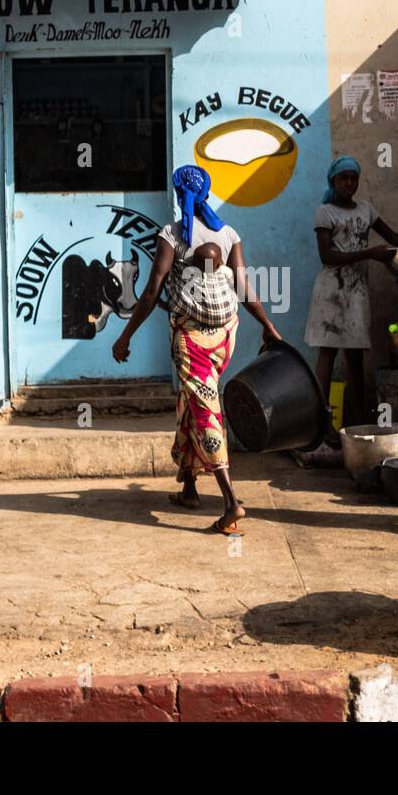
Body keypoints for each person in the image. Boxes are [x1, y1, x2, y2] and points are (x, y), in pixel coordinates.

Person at [112, 165, 281, 535]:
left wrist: (125, 336)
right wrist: (268, 327)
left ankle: (230, 501)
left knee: (205, 410)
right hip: (225, 335)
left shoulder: (172, 234)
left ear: (178, 194)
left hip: (191, 338)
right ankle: (189, 487)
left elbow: (153, 290)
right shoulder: (229, 233)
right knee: (191, 401)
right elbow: (243, 289)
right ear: (207, 192)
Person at [305, 155, 398, 437]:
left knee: (355, 355)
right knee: (328, 352)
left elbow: (392, 237)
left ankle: (357, 421)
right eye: (343, 178)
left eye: (353, 178)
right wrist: (370, 253)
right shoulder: (325, 212)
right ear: (333, 181)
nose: (349, 183)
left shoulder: (366, 210)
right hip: (331, 291)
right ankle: (322, 422)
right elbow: (327, 256)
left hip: (356, 291)